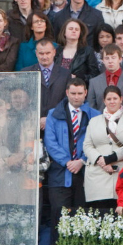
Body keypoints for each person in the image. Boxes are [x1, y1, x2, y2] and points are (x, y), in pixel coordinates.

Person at [45, 79, 98, 232]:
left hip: (85, 174)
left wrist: (82, 160)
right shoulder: (53, 114)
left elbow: (97, 143)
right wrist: (67, 161)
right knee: (60, 218)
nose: (76, 97)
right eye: (73, 93)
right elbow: (50, 142)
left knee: (82, 218)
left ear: (86, 93)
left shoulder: (95, 115)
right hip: (60, 174)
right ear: (67, 93)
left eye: (80, 93)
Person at [82, 86, 123, 208]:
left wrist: (110, 159)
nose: (112, 101)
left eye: (115, 98)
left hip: (121, 171)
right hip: (97, 174)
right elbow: (87, 145)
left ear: (121, 99)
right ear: (104, 101)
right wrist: (102, 161)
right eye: (109, 99)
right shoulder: (94, 121)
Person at [89, 45, 123, 115]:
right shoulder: (94, 82)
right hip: (100, 123)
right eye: (107, 58)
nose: (110, 61)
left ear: (120, 59)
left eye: (113, 58)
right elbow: (91, 108)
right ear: (103, 60)